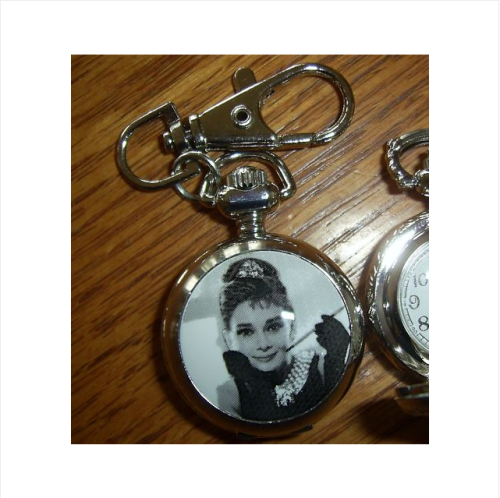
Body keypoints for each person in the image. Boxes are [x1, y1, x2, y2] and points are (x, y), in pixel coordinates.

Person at [217, 257, 350, 421]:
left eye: (273, 327)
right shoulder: (230, 394)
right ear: (229, 339)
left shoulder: (321, 367)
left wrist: (337, 359)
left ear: (291, 327)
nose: (263, 344)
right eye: (246, 332)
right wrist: (255, 384)